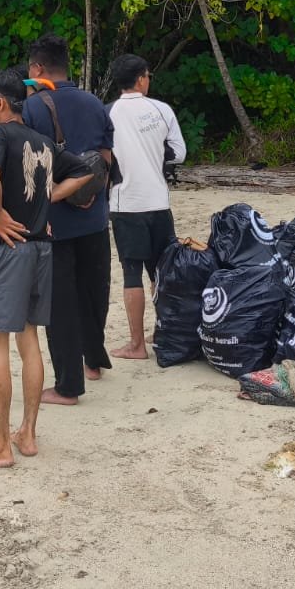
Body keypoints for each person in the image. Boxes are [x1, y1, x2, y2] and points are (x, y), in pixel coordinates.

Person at [0, 71, 94, 469]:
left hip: (10, 249)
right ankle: (28, 433)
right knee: (30, 338)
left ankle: (0, 446)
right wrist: (46, 201)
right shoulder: (43, 142)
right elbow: (86, 171)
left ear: (0, 103)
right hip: (41, 248)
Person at [22, 34, 115, 405]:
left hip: (54, 220)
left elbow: (30, 167)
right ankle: (94, 361)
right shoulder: (94, 102)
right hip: (95, 214)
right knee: (94, 291)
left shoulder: (32, 107)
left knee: (60, 302)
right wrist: (92, 193)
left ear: (38, 68)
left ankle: (68, 386)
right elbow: (106, 158)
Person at [105, 54, 187, 360]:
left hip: (125, 202)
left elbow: (101, 154)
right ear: (141, 79)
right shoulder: (161, 110)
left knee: (131, 273)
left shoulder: (107, 112)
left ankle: (136, 344)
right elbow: (179, 153)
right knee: (160, 271)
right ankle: (164, 332)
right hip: (158, 200)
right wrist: (155, 154)